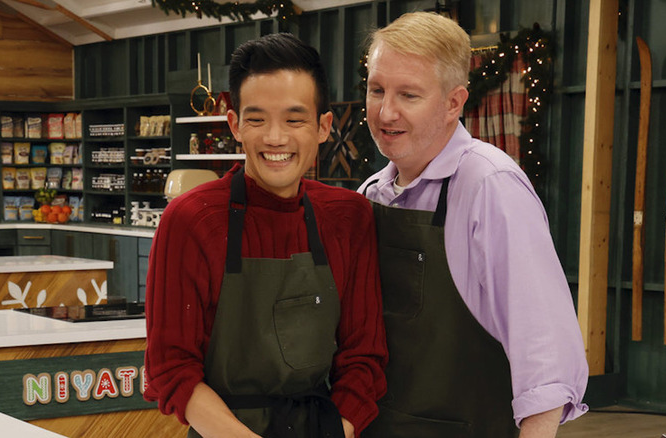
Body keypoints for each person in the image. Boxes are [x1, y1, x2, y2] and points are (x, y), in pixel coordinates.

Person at [144, 33, 388, 438]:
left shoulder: (349, 217)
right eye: (256, 119)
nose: (275, 138)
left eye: (294, 119)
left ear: (323, 126)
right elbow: (171, 369)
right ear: (235, 125)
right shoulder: (191, 219)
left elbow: (364, 359)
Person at [358, 12, 588, 438]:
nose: (385, 111)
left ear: (453, 102)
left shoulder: (489, 187)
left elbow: (544, 359)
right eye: (376, 89)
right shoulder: (371, 194)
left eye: (408, 94)